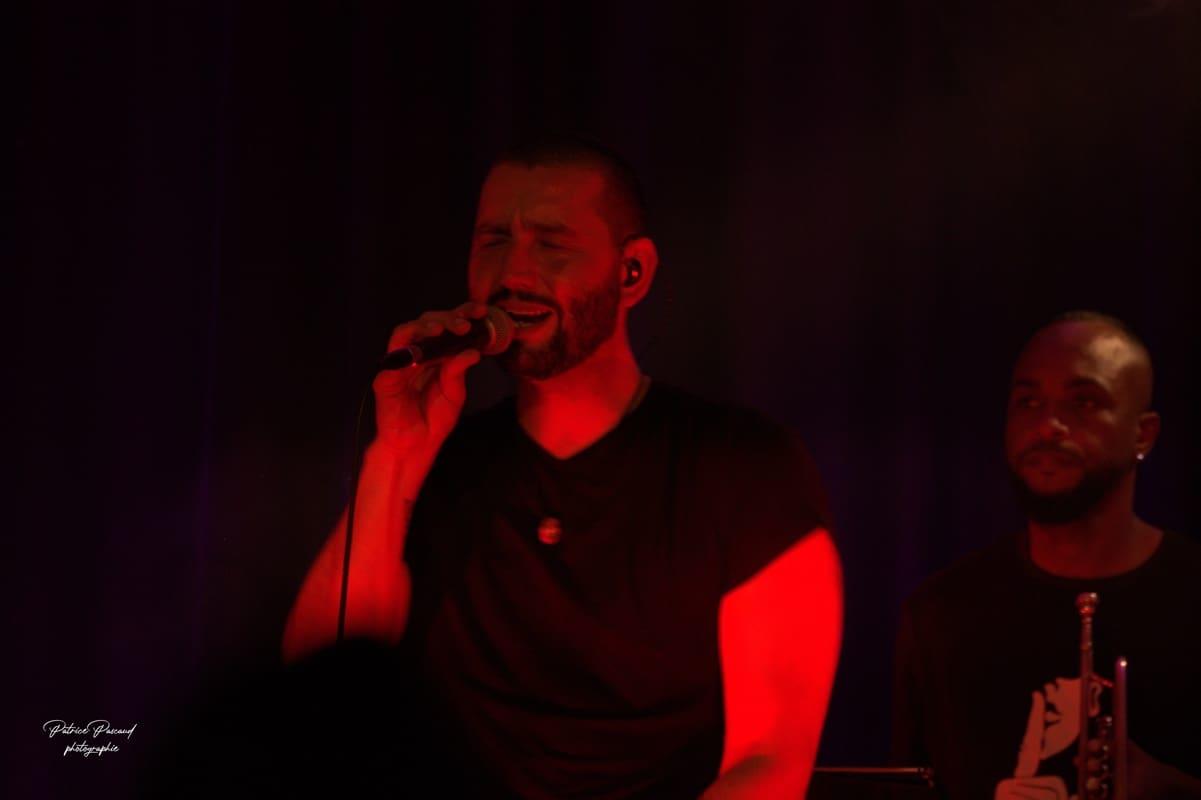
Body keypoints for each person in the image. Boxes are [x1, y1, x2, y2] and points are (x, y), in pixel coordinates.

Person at [282, 138, 843, 798]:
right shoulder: (442, 465)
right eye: (494, 240)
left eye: (551, 244)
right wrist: (396, 453)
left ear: (632, 272)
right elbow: (317, 691)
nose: (514, 272)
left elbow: (770, 763)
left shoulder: (742, 466)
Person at [891, 311, 1201, 799]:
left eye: (1083, 402)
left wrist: (1175, 791)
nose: (1047, 426)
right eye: (1028, 402)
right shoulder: (941, 614)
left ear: (1143, 434)